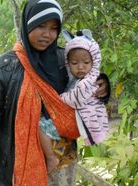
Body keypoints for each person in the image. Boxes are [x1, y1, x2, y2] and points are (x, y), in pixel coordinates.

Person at [0, 0, 110, 186]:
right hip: (19, 162)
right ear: (28, 24)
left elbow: (86, 88)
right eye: (41, 25)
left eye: (53, 28)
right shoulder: (5, 67)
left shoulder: (65, 61)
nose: (47, 34)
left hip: (62, 161)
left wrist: (103, 87)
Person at [39, 29, 110, 175]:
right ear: (68, 63)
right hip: (70, 124)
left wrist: (56, 100)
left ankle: (51, 158)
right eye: (74, 63)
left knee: (41, 126)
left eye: (85, 62)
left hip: (71, 126)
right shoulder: (76, 76)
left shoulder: (90, 79)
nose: (80, 67)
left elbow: (76, 98)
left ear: (94, 61)